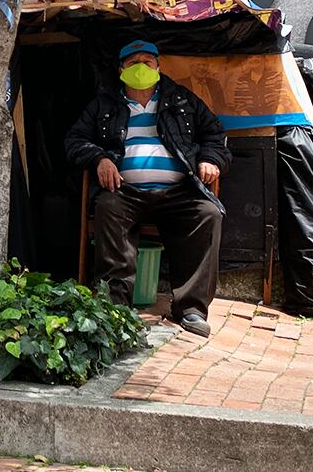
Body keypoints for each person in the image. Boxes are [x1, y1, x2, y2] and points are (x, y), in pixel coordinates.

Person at [65, 40, 232, 337]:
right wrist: (100, 158)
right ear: (121, 70)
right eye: (133, 63)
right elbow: (75, 140)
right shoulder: (104, 104)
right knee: (107, 207)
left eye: (147, 61)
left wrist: (210, 159)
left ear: (158, 66)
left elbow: (215, 134)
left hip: (179, 190)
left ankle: (191, 308)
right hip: (125, 191)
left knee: (207, 213)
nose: (141, 68)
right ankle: (115, 307)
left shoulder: (182, 100)